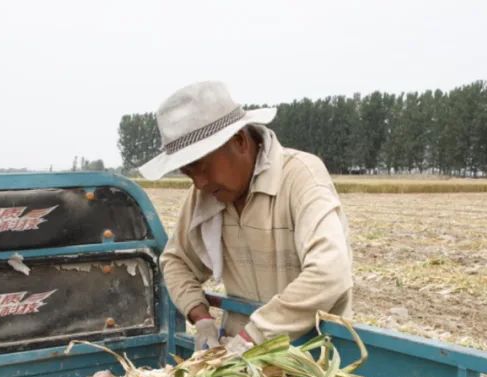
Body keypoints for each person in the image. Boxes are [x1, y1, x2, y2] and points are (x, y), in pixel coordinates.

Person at [141, 81, 353, 354]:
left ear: (240, 141)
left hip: (308, 360)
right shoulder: (206, 195)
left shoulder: (300, 177)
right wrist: (201, 316)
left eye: (201, 168)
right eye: (188, 173)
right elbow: (176, 260)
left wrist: (255, 335)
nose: (199, 183)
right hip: (240, 364)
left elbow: (329, 273)